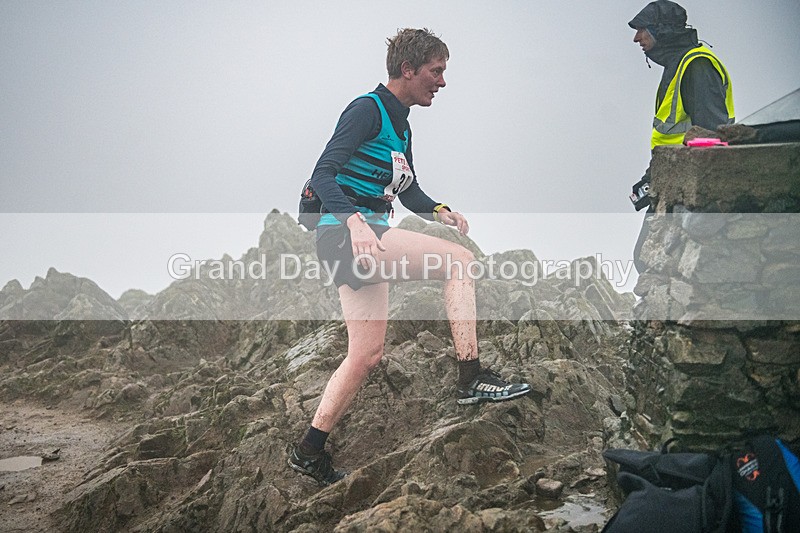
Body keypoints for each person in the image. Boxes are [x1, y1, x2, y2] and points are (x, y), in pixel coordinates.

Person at [287, 28, 532, 486]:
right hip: (348, 236)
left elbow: (409, 190)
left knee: (365, 355)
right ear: (408, 69)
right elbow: (323, 173)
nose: (441, 82)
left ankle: (309, 450)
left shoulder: (402, 124)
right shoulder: (367, 109)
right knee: (459, 261)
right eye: (436, 72)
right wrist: (355, 222)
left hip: (360, 237)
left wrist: (439, 210)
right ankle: (471, 377)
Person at [628, 0, 735, 272]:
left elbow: (712, 135)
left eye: (642, 29)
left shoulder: (696, 66)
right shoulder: (678, 66)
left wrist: (699, 197)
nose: (636, 37)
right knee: (648, 260)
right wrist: (650, 179)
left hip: (688, 188)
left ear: (661, 31)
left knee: (653, 261)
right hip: (670, 182)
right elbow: (670, 138)